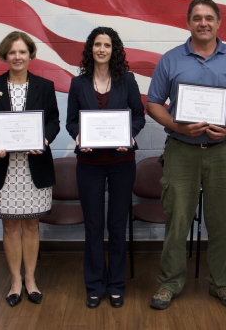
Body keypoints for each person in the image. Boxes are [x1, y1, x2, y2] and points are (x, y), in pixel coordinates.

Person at [146, 0, 226, 310]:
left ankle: (222, 284)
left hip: (222, 151)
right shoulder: (170, 59)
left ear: (218, 22)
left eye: (209, 17)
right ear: (188, 23)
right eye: (197, 17)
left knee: (222, 221)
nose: (203, 23)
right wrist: (177, 126)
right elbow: (153, 103)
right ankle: (169, 283)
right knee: (177, 220)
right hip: (181, 151)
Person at [0, 31, 60, 307]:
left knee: (32, 224)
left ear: (30, 54)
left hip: (34, 166)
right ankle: (15, 280)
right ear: (5, 55)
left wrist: (44, 140)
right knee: (11, 226)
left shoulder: (44, 86)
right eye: (12, 52)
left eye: (22, 52)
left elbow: (53, 121)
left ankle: (31, 279)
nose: (17, 57)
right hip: (4, 167)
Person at [66, 27, 146, 309]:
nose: (102, 49)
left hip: (121, 163)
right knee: (94, 226)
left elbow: (138, 115)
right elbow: (72, 121)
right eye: (97, 44)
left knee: (116, 225)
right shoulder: (79, 84)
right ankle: (94, 285)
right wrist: (78, 136)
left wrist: (131, 135)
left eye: (107, 45)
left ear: (114, 50)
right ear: (91, 49)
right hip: (89, 164)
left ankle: (116, 285)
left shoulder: (128, 81)